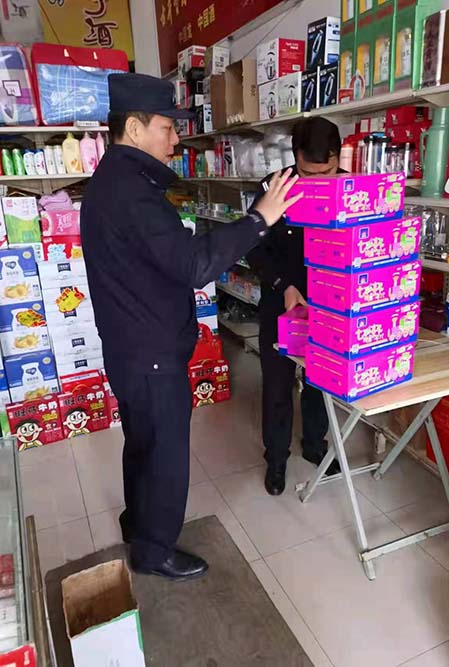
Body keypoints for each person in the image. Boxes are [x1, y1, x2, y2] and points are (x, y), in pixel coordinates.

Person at [80, 73, 302, 581]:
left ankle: (138, 524)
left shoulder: (115, 182)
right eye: (167, 127)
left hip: (130, 344)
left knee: (142, 441)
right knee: (164, 453)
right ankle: (154, 549)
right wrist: (258, 220)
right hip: (150, 350)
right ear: (134, 129)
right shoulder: (131, 193)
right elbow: (194, 265)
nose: (176, 140)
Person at [247, 117, 345, 496]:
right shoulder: (274, 188)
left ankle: (315, 446)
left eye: (327, 172)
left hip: (331, 304)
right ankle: (276, 459)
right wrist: (283, 285)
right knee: (277, 383)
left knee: (320, 379)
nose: (318, 181)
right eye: (308, 173)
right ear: (295, 158)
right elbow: (254, 248)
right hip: (282, 301)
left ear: (338, 158)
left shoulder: (352, 189)